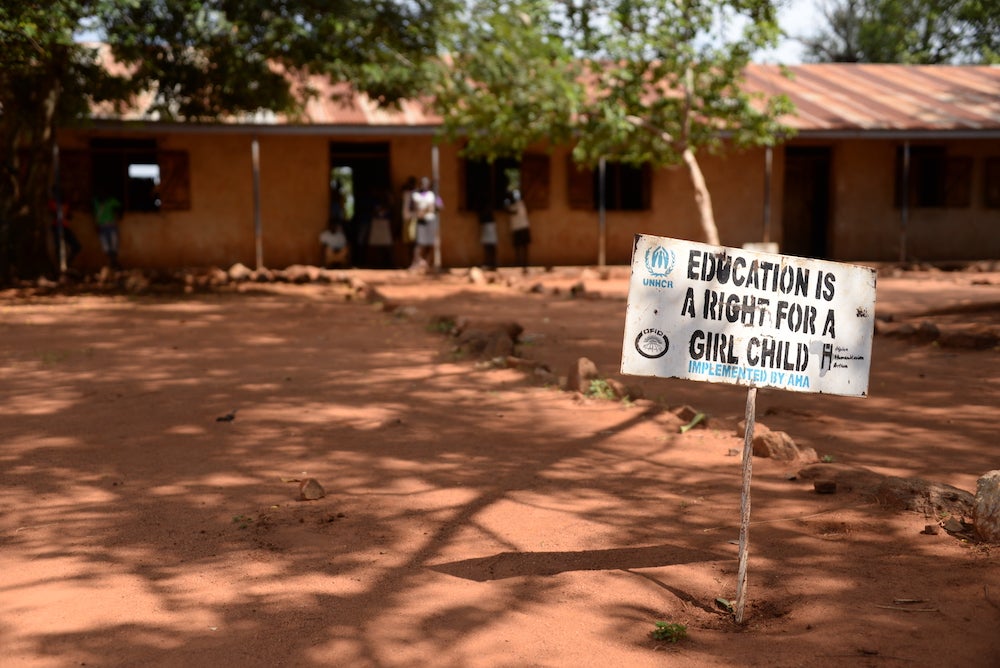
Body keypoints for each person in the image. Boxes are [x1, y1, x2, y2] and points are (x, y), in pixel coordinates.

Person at [409, 176, 441, 272]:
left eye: (426, 183)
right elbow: (411, 207)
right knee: (419, 243)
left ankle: (427, 263)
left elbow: (440, 206)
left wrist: (434, 205)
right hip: (420, 221)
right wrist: (418, 212)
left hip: (430, 220)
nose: (424, 185)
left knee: (430, 243)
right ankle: (415, 263)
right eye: (422, 183)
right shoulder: (415, 195)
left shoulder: (432, 195)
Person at [48, 194, 81, 267]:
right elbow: (52, 213)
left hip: (65, 227)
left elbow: (69, 216)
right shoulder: (52, 203)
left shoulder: (66, 204)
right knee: (59, 247)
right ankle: (60, 266)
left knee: (77, 246)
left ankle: (66, 264)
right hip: (57, 227)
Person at [93, 193, 122, 269]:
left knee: (114, 244)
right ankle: (112, 262)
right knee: (106, 246)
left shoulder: (111, 201)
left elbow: (119, 208)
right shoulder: (95, 202)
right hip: (102, 227)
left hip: (111, 226)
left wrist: (118, 216)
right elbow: (93, 212)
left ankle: (113, 262)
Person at [505, 187, 531, 271]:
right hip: (517, 228)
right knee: (518, 247)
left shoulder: (520, 204)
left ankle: (524, 263)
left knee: (524, 246)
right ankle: (519, 262)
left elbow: (512, 212)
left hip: (522, 227)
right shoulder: (514, 205)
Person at [367, 197, 394, 268]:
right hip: (377, 225)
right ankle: (377, 263)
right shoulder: (373, 203)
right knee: (377, 245)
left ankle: (388, 263)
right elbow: (371, 213)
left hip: (385, 225)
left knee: (387, 245)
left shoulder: (388, 206)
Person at [477, 200, 497, 270]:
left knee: (490, 246)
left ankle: (491, 264)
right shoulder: (485, 210)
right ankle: (489, 263)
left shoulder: (487, 209)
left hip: (489, 227)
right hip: (486, 226)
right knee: (488, 246)